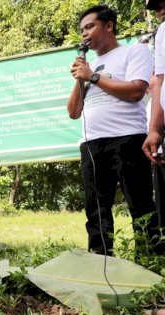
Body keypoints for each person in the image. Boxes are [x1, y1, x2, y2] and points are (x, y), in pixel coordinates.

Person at [67, 4, 158, 255]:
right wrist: (81, 78)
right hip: (92, 143)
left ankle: (150, 261)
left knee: (140, 205)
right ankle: (101, 258)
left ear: (109, 26)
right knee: (96, 208)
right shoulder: (88, 64)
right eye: (82, 29)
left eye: (90, 26)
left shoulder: (134, 52)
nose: (85, 33)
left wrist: (94, 77)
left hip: (128, 138)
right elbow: (74, 112)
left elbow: (136, 91)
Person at [142, 0, 165, 255]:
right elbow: (161, 78)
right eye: (157, 4)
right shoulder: (162, 32)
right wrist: (155, 130)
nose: (161, 9)